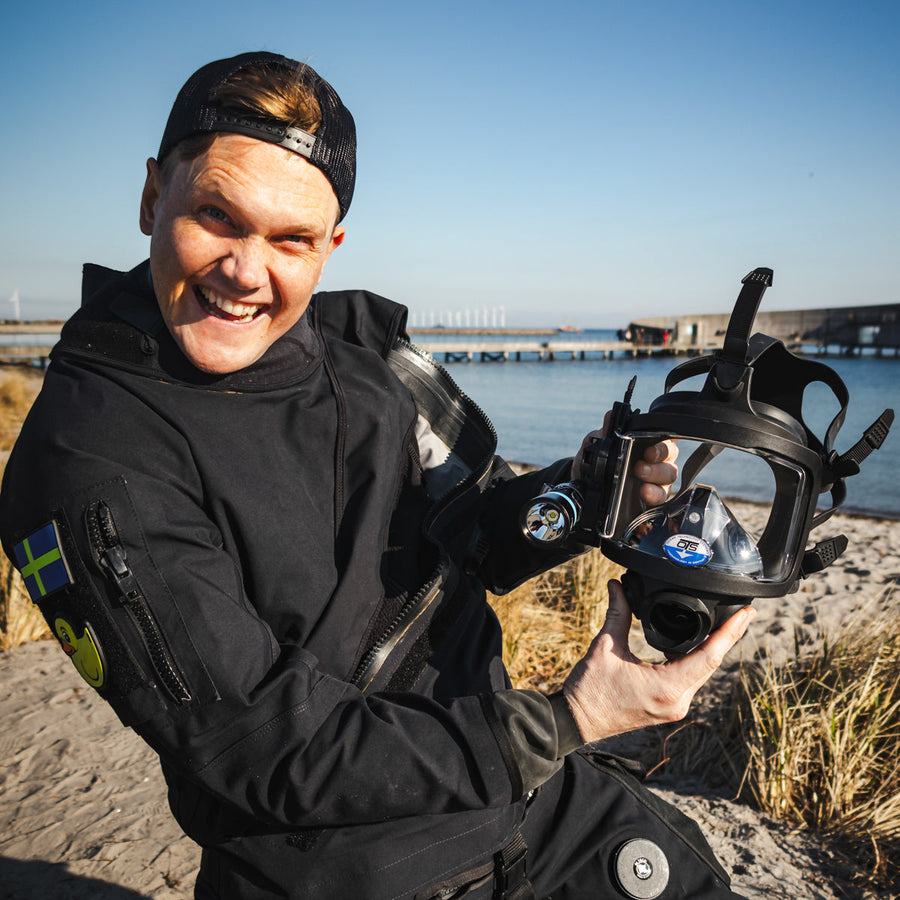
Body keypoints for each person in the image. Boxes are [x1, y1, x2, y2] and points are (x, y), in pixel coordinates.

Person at [0, 52, 754, 899]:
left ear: (332, 245)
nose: (248, 272)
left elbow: (466, 536)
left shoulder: (357, 356)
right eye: (217, 216)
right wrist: (571, 719)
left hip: (522, 795)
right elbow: (263, 749)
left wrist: (581, 494)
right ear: (151, 197)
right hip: (349, 863)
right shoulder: (94, 460)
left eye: (292, 240)